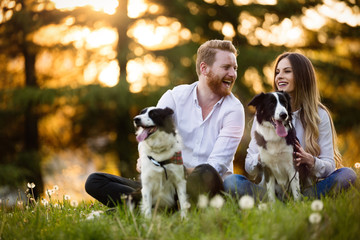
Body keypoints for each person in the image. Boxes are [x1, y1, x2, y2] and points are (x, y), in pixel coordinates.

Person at [85, 39, 245, 207]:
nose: (233, 74)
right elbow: (148, 134)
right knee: (95, 181)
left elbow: (216, 167)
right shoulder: (175, 97)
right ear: (204, 68)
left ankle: (142, 205)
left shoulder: (234, 110)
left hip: (205, 188)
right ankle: (155, 205)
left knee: (206, 171)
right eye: (226, 67)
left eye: (235, 68)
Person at [224, 52, 357, 200]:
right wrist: (263, 157)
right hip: (269, 192)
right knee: (232, 182)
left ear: (302, 76)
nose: (279, 76)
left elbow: (330, 166)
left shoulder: (319, 115)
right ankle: (274, 202)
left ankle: (302, 200)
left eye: (287, 71)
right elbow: (249, 166)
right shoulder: (265, 114)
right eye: (277, 72)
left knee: (347, 175)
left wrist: (310, 160)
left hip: (306, 189)